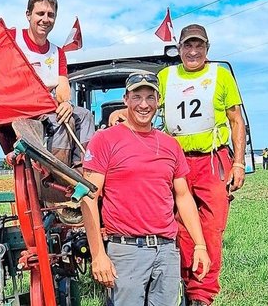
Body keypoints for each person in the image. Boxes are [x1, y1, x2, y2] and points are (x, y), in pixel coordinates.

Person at [80, 73, 211, 305]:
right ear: (126, 99)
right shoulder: (104, 140)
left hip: (167, 250)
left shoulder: (171, 145)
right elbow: (89, 198)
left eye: (150, 97)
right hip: (126, 251)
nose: (144, 104)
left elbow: (183, 197)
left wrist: (200, 244)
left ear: (158, 101)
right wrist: (98, 254)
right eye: (137, 96)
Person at [157, 24, 246, 306]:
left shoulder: (220, 75)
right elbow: (145, 106)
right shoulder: (165, 76)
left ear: (207, 48)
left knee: (212, 227)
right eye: (187, 46)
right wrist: (121, 113)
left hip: (213, 159)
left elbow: (236, 121)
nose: (193, 51)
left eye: (199, 46)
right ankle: (186, 283)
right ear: (179, 48)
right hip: (178, 160)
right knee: (181, 225)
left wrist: (240, 163)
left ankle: (202, 295)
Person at [11, 0, 95, 170]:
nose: (45, 19)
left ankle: (85, 168)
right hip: (19, 109)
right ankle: (56, 173)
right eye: (40, 13)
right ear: (28, 15)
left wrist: (66, 103)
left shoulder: (57, 53)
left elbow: (62, 85)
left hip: (44, 108)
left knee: (84, 115)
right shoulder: (13, 39)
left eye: (51, 15)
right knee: (62, 122)